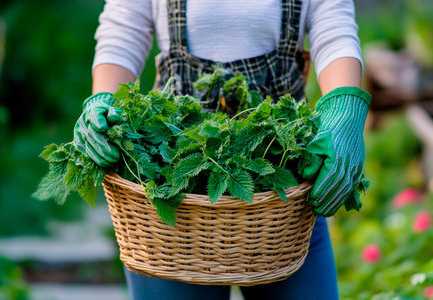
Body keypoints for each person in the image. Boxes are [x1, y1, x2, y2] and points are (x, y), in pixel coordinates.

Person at [74, 0, 371, 299]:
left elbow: (334, 30)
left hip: (284, 195)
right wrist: (104, 102)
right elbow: (123, 31)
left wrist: (343, 108)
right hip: (174, 199)